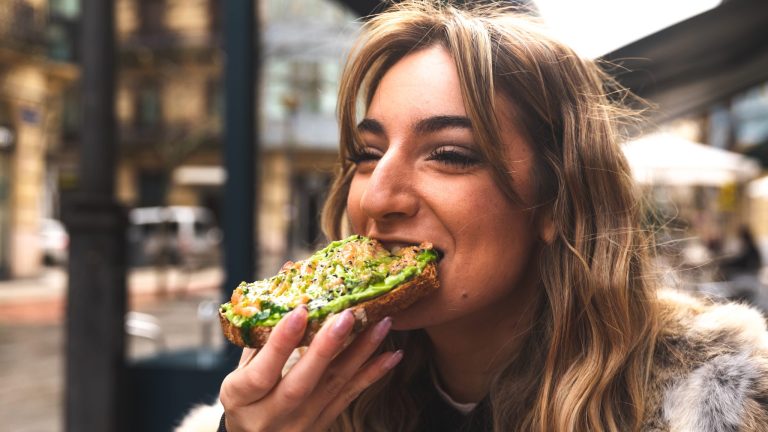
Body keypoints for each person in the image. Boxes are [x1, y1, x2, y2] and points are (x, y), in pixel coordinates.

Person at [177, 1, 768, 431]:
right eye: (367, 154)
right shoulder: (300, 403)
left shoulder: (716, 402)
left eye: (450, 155)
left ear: (557, 201)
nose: (379, 198)